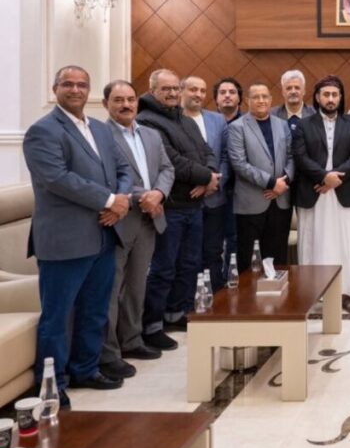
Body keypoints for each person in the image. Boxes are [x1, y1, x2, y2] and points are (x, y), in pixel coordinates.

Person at [24, 66, 132, 405]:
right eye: (68, 84)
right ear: (55, 88)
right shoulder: (42, 131)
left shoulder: (99, 129)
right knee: (58, 318)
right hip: (65, 241)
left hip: (103, 234)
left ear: (90, 90)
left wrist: (121, 201)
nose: (75, 90)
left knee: (94, 311)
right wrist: (109, 200)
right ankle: (52, 386)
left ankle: (86, 369)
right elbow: (57, 179)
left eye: (82, 84)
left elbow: (124, 168)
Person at [137, 68, 220, 351]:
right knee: (164, 267)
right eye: (166, 89)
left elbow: (208, 152)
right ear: (153, 91)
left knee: (189, 263)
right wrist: (206, 178)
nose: (172, 93)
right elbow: (172, 161)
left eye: (175, 88)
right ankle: (153, 324)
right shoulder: (147, 121)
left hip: (194, 205)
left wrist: (209, 177)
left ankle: (177, 312)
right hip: (170, 207)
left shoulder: (185, 120)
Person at [101, 80, 174, 379]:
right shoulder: (100, 135)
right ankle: (109, 353)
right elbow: (105, 177)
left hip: (149, 219)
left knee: (136, 285)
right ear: (106, 104)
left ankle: (132, 340)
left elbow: (167, 169)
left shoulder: (151, 135)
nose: (126, 105)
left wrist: (159, 193)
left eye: (130, 99)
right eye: (118, 100)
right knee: (111, 289)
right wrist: (144, 196)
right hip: (118, 220)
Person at [292, 76, 350, 316]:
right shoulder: (304, 125)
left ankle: (346, 294)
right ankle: (310, 293)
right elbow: (300, 156)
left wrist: (336, 178)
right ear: (317, 97)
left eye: (335, 94)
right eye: (326, 95)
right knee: (312, 243)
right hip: (314, 191)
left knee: (346, 243)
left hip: (344, 192)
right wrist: (324, 177)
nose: (331, 99)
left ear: (341, 97)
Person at [227, 83, 294, 269]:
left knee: (278, 256)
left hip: (280, 201)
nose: (261, 100)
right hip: (252, 202)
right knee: (249, 259)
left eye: (265, 96)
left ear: (271, 100)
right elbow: (239, 164)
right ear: (247, 101)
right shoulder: (237, 127)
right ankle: (249, 290)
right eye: (256, 97)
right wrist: (272, 183)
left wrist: (284, 182)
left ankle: (278, 288)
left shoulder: (282, 124)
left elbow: (292, 156)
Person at [182, 75, 230, 291]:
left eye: (202, 90)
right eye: (193, 89)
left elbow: (226, 156)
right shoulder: (174, 121)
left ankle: (216, 299)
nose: (198, 94)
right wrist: (201, 182)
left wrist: (214, 182)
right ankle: (188, 300)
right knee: (187, 256)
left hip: (214, 198)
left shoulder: (217, 120)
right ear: (182, 91)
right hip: (185, 198)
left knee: (213, 252)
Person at [214, 77, 243, 280]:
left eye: (232, 92)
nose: (227, 96)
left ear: (239, 98)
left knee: (234, 240)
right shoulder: (208, 122)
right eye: (222, 92)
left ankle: (230, 281)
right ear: (216, 99)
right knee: (213, 243)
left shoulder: (247, 123)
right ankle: (214, 284)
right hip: (211, 191)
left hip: (239, 192)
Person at [271, 69, 317, 134]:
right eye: (289, 88)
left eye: (297, 88)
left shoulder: (315, 114)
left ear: (304, 91)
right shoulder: (272, 115)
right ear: (283, 92)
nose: (293, 92)